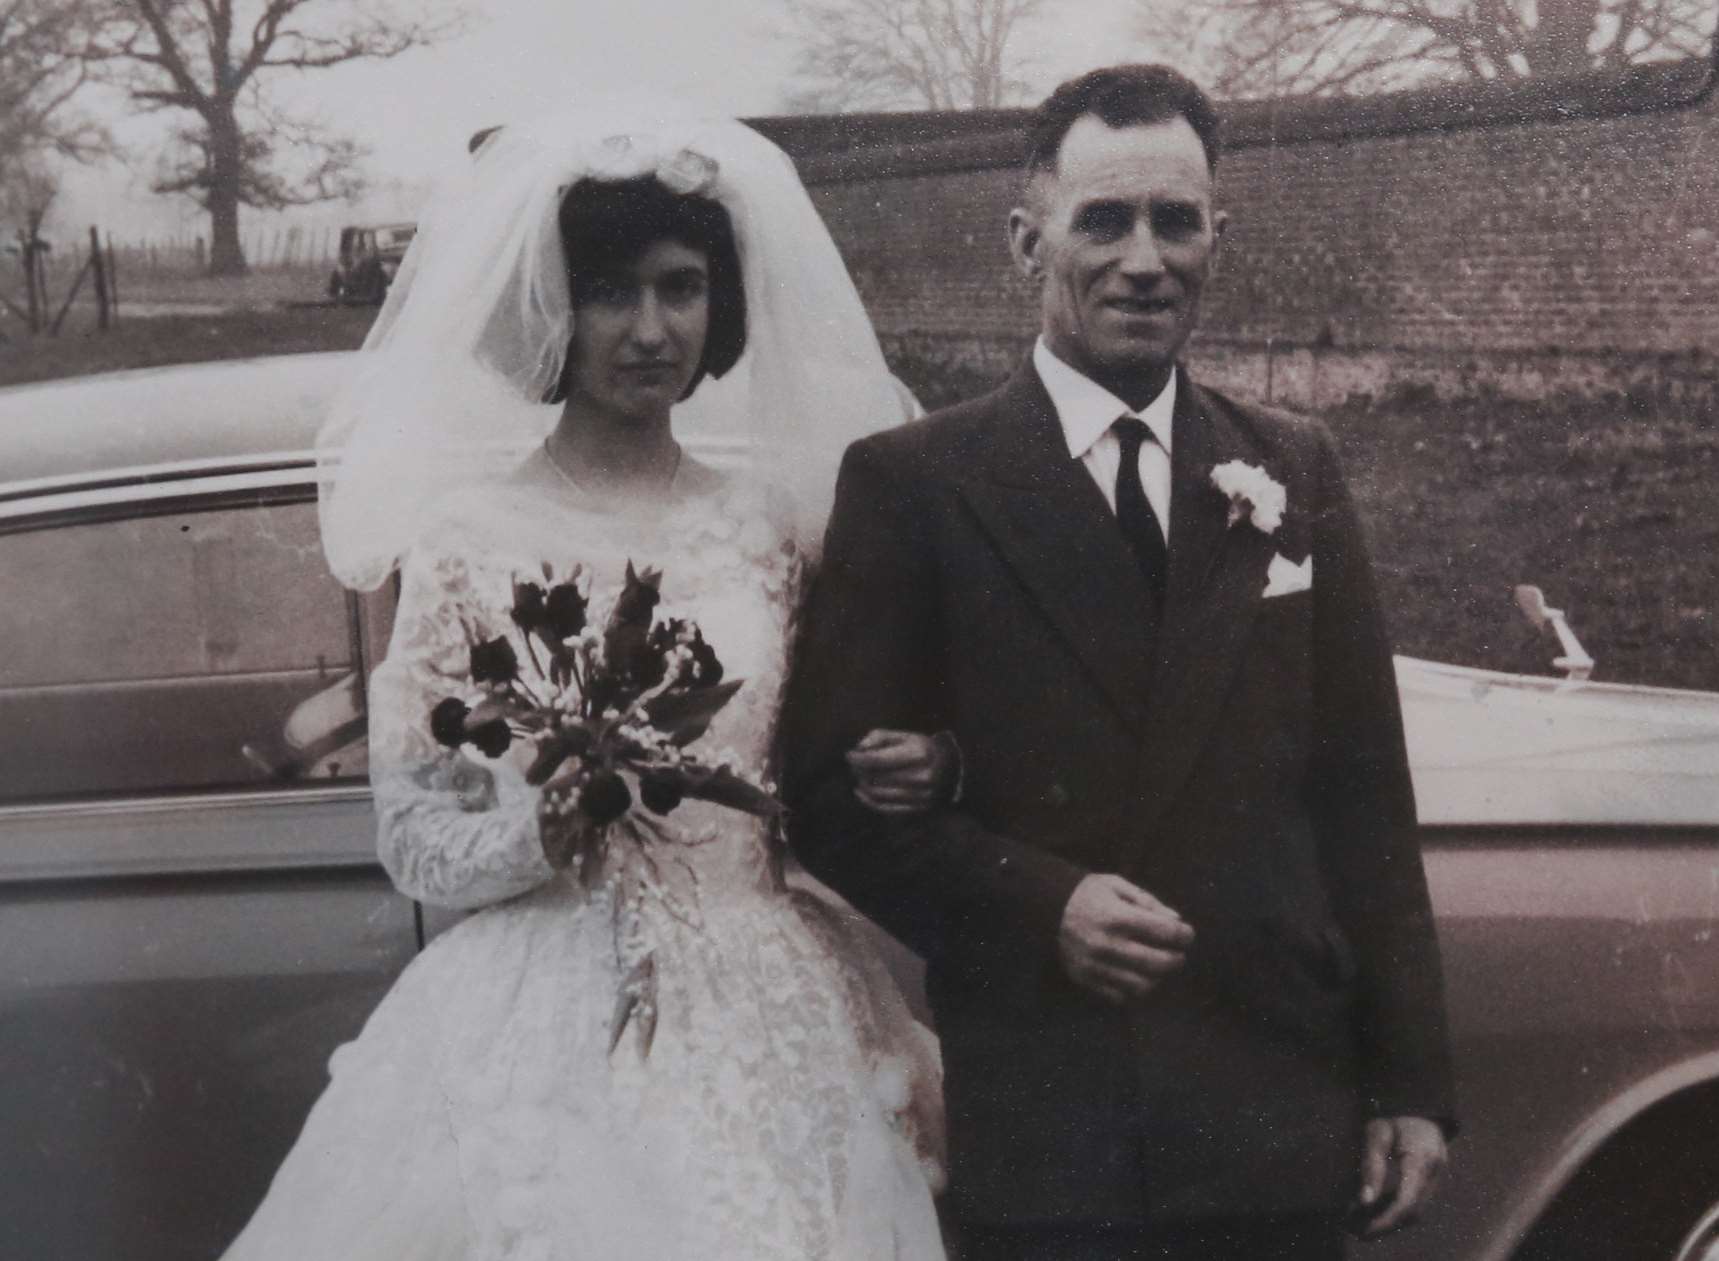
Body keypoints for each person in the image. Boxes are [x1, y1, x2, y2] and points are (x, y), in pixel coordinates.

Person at [220, 103, 954, 1261]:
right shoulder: (468, 535)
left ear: (722, 305)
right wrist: (538, 826)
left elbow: (808, 778)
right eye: (611, 290)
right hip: (543, 997)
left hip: (764, 998)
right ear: (551, 309)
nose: (652, 327)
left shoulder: (769, 529)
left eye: (681, 286)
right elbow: (412, 834)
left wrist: (912, 766)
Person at [781, 64, 1457, 1261]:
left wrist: (1408, 1079)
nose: (1145, 259)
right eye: (1103, 220)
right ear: (1025, 240)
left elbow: (1364, 797)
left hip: (1274, 1114)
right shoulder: (916, 485)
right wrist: (1044, 905)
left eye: (1176, 220)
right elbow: (833, 803)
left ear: (1217, 236)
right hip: (1062, 1127)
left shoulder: (1292, 467)